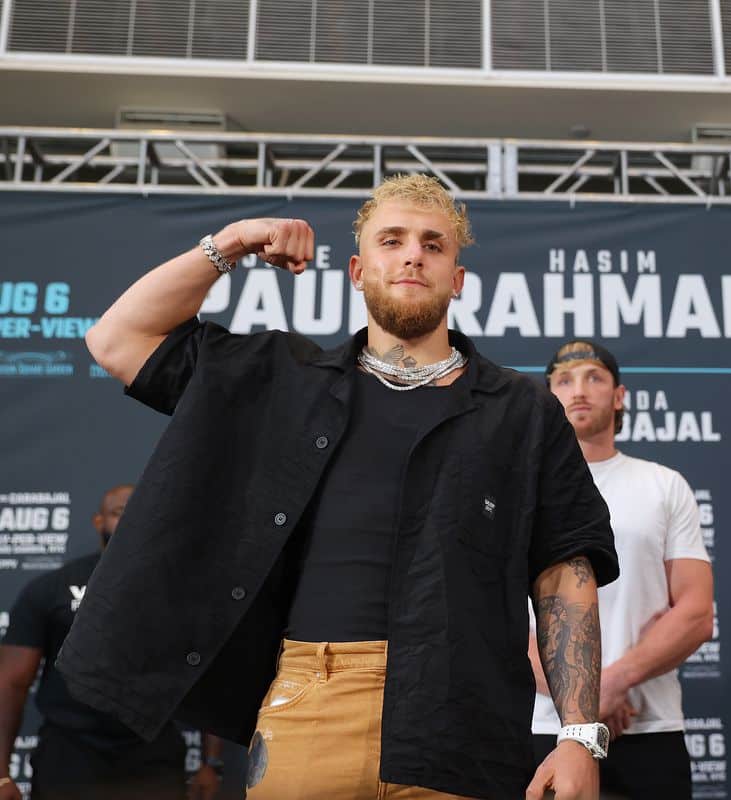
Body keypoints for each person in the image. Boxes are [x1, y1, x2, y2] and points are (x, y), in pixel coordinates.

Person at [58, 174, 619, 800]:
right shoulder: (281, 381)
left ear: (457, 279)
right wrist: (233, 242)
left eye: (435, 245)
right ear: (357, 270)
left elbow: (564, 573)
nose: (413, 254)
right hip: (309, 701)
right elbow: (116, 339)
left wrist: (578, 734)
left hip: (466, 718)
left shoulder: (522, 408)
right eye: (393, 240)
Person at [530, 341, 714, 799]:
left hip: (647, 726)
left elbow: (694, 612)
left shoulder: (663, 485)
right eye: (564, 380)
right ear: (547, 397)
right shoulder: (520, 492)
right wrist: (587, 703)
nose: (579, 390)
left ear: (619, 397)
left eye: (594, 377)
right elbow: (504, 620)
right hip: (542, 726)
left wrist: (614, 681)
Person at [0, 485, 198, 799]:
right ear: (98, 521)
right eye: (119, 512)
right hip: (70, 753)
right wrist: (1, 774)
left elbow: (212, 672)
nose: (131, 519)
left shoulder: (179, 590)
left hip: (152, 753)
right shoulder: (52, 588)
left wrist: (211, 762)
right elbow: (11, 682)